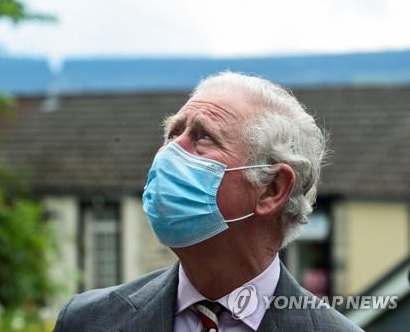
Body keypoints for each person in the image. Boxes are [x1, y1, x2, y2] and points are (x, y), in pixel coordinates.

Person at [53, 71, 363, 332]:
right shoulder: (87, 320)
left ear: (272, 188)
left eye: (203, 137)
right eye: (173, 134)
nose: (169, 153)